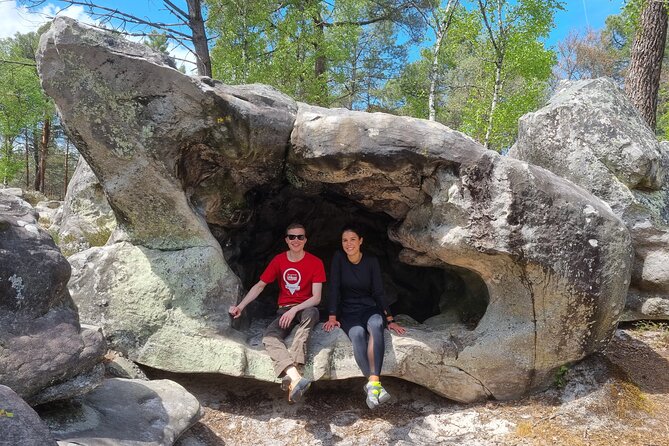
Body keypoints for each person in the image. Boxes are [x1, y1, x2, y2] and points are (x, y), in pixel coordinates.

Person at [229, 223, 326, 402]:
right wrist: (240, 307)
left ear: (305, 240)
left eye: (300, 237)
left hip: (305, 308)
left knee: (312, 313)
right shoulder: (279, 260)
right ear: (286, 240)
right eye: (292, 237)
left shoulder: (315, 262)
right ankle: (295, 376)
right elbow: (260, 286)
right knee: (269, 337)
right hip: (284, 310)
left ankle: (294, 374)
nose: (295, 240)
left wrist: (296, 309)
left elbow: (317, 297)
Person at [323, 224, 406, 409]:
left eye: (353, 239)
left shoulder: (371, 261)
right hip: (348, 311)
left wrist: (390, 319)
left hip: (369, 307)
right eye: (345, 240)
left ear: (361, 241)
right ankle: (375, 385)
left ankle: (373, 383)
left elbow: (378, 291)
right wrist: (332, 315)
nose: (348, 244)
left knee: (376, 325)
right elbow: (334, 287)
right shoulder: (339, 259)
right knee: (358, 334)